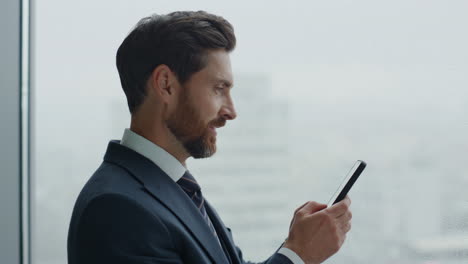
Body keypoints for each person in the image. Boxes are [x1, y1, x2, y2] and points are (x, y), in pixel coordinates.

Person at [67, 10, 352, 264]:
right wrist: (297, 256)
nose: (231, 111)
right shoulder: (117, 210)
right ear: (166, 84)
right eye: (218, 88)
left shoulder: (174, 188)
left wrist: (298, 245)